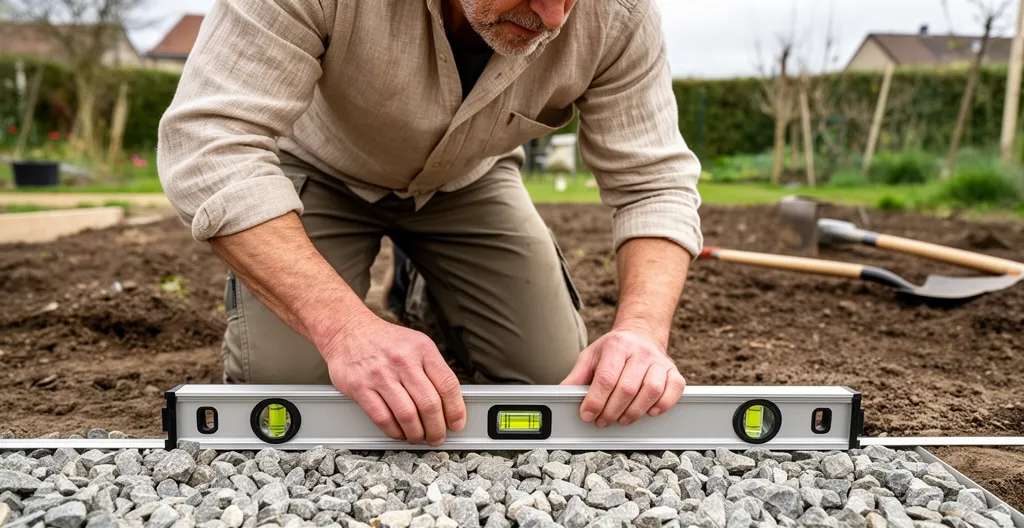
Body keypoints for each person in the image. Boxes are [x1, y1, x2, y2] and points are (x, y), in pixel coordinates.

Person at [157, 0, 703, 447]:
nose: (555, 18)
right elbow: (211, 144)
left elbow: (653, 183)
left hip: (468, 181)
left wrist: (642, 333)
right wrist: (348, 331)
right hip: (321, 171)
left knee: (556, 384)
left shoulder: (620, 16)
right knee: (288, 393)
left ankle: (428, 295)